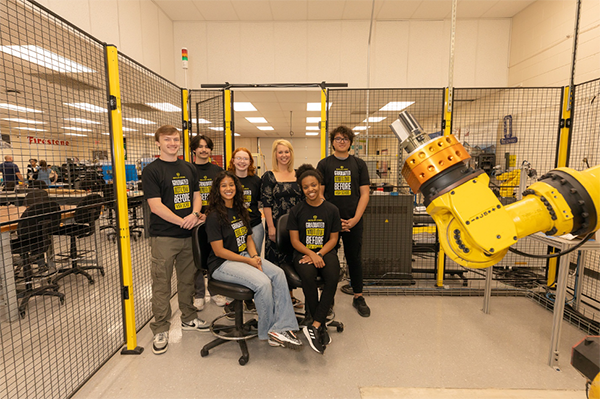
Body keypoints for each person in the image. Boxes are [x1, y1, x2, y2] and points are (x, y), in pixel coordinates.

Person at [205, 170, 302, 350]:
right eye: (223, 185)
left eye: (231, 185)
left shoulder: (240, 209)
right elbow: (218, 251)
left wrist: (255, 256)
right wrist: (249, 262)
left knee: (279, 274)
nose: (228, 188)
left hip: (244, 256)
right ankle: (268, 332)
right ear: (217, 190)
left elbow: (249, 238)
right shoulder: (213, 216)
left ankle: (283, 326)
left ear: (237, 187)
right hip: (222, 264)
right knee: (263, 283)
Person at [142, 125, 208, 355]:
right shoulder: (152, 170)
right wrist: (182, 221)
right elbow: (155, 205)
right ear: (158, 142)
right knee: (161, 284)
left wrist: (195, 215)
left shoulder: (189, 167)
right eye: (167, 139)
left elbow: (196, 196)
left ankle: (188, 318)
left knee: (187, 280)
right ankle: (161, 328)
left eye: (176, 139)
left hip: (188, 234)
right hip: (164, 236)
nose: (172, 143)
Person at [317, 126, 371, 317]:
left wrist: (355, 219)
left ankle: (358, 296)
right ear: (332, 141)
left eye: (345, 139)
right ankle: (327, 297)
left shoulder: (359, 164)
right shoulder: (324, 164)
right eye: (338, 138)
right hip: (330, 222)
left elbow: (365, 194)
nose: (341, 141)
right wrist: (333, 219)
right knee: (326, 259)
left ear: (350, 142)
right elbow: (319, 194)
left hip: (353, 221)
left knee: (354, 258)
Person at [288, 164, 341, 354]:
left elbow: (334, 239)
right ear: (302, 189)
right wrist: (311, 254)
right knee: (308, 276)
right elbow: (294, 241)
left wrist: (319, 254)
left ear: (320, 185)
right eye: (306, 187)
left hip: (326, 252)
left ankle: (316, 323)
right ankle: (318, 324)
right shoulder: (296, 211)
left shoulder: (332, 210)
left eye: (314, 185)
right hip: (303, 253)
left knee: (332, 277)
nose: (310, 190)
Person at [261, 139, 303, 308]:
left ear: (291, 154)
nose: (284, 155)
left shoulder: (299, 174)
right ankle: (278, 299)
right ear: (275, 155)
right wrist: (271, 227)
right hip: (276, 226)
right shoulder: (269, 176)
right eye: (280, 152)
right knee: (276, 262)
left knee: (292, 260)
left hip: (296, 227)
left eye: (287, 151)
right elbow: (266, 203)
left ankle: (291, 296)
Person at [190, 134, 224, 310]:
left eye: (207, 146)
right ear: (194, 149)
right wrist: (197, 215)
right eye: (200, 146)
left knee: (213, 255)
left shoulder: (217, 171)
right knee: (196, 257)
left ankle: (216, 290)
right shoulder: (188, 169)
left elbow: (222, 196)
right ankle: (199, 294)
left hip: (213, 220)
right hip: (193, 220)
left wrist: (208, 214)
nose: (204, 149)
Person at [228, 148, 263, 253]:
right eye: (238, 158)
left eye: (245, 159)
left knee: (255, 256)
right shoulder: (228, 180)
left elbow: (261, 202)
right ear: (233, 161)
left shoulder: (256, 180)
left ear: (250, 162)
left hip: (254, 225)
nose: (242, 161)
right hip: (233, 225)